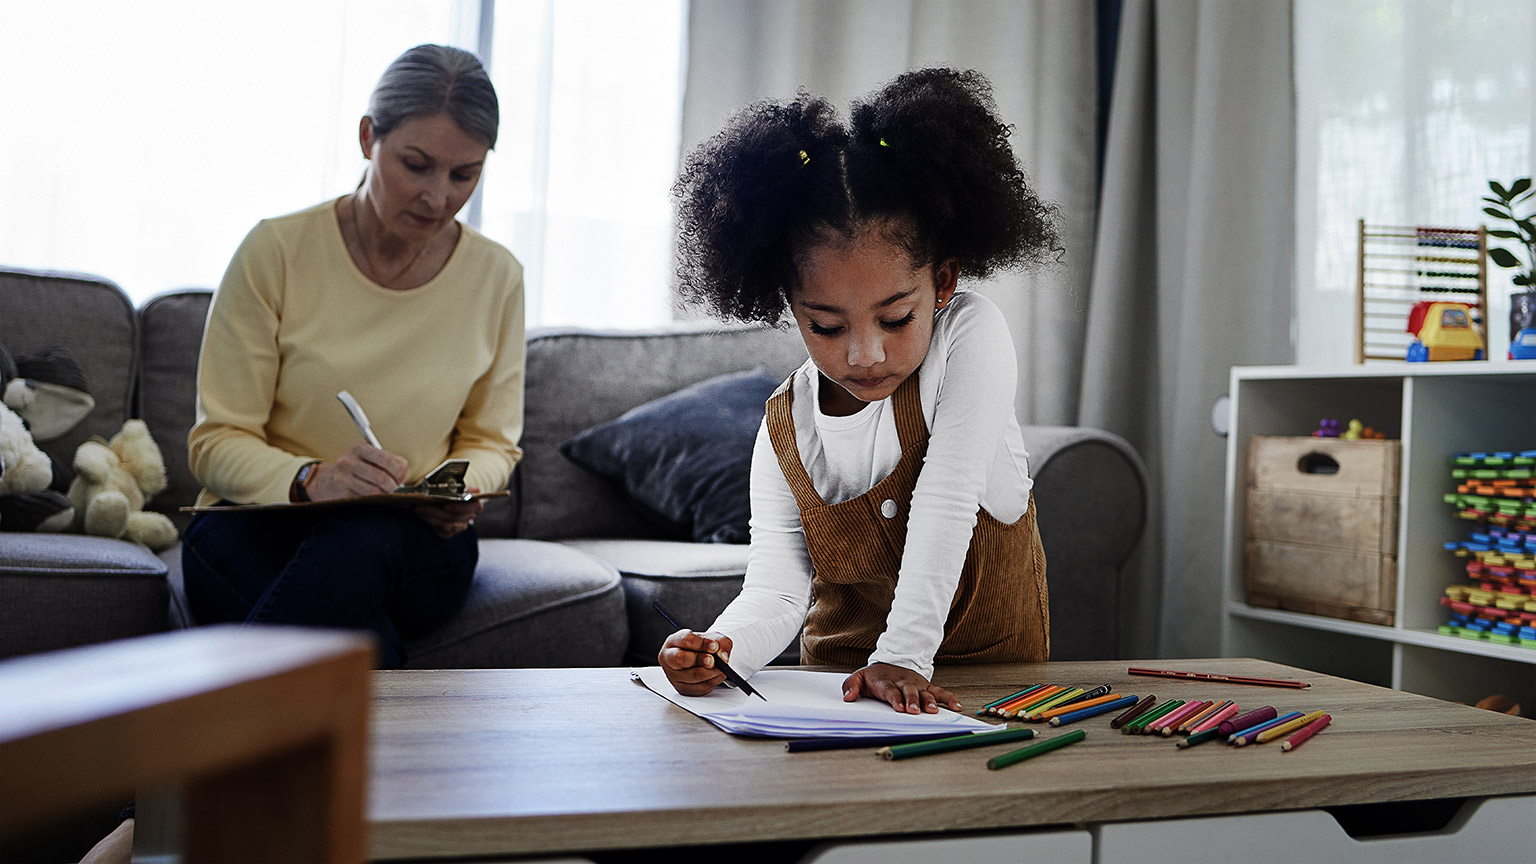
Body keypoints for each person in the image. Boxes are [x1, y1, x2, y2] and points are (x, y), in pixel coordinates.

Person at [659, 68, 1061, 714]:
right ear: (788, 305)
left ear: (943, 282)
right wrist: (720, 647)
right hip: (834, 702)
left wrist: (902, 654)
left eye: (896, 319)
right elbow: (778, 590)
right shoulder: (784, 425)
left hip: (988, 695)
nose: (864, 354)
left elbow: (947, 498)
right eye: (826, 325)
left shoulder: (971, 339)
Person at [182, 44, 525, 670]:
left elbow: (494, 442)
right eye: (416, 165)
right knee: (365, 634)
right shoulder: (276, 251)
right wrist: (315, 479)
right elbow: (217, 441)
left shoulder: (496, 277)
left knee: (365, 539)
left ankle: (193, 737)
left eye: (464, 174)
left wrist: (457, 486)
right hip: (256, 526)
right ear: (369, 137)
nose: (438, 196)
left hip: (413, 541)